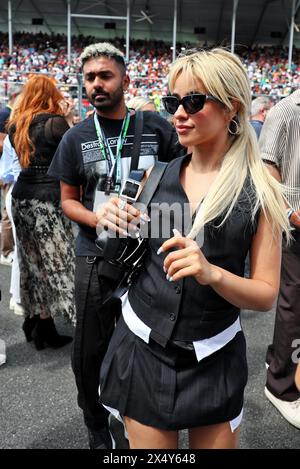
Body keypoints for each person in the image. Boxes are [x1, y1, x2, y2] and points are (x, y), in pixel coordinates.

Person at [98, 48, 290, 449]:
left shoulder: (261, 193)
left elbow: (267, 293)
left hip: (213, 355)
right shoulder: (155, 175)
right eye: (173, 102)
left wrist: (212, 272)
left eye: (193, 101)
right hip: (142, 347)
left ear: (232, 107)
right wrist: (113, 219)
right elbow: (128, 245)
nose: (179, 113)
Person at [48, 42, 180, 449]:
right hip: (97, 254)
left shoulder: (157, 127)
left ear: (125, 78)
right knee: (89, 348)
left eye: (105, 75)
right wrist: (97, 216)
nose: (96, 84)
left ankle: (138, 417)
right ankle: (95, 420)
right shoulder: (75, 137)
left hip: (149, 252)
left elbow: (183, 182)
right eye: (89, 78)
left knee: (146, 342)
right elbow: (68, 199)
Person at [7, 75, 76, 350]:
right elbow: (72, 152)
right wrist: (68, 119)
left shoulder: (16, 124)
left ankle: (39, 321)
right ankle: (65, 321)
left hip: (22, 195)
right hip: (49, 197)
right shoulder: (54, 122)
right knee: (59, 262)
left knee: (32, 263)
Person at [259, 88, 300, 428]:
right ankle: (281, 386)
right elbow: (266, 171)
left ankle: (281, 360)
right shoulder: (285, 111)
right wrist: (291, 215)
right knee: (293, 303)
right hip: (293, 224)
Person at [0, 84, 22, 266]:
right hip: (8, 171)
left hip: (8, 170)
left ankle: (8, 249)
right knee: (8, 212)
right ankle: (6, 250)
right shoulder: (5, 114)